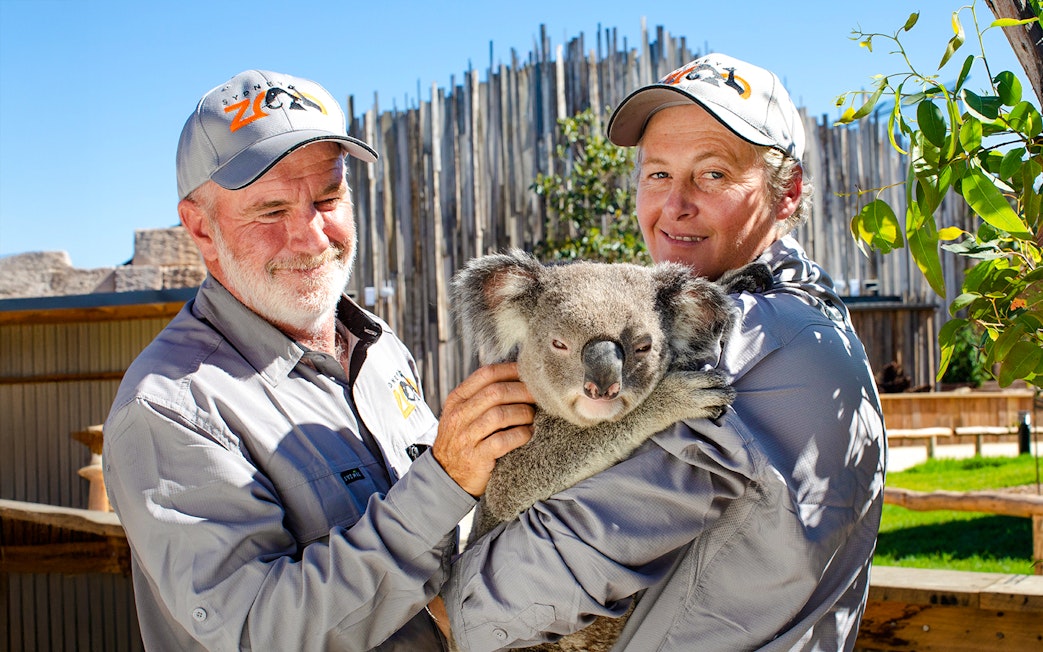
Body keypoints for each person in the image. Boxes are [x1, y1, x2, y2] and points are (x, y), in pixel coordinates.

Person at [441, 53, 887, 650]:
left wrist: (438, 608)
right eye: (657, 174)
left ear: (787, 195)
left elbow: (555, 567)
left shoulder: (756, 339)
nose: (675, 204)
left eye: (714, 175)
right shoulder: (795, 310)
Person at [102, 69, 534, 651]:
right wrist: (445, 480)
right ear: (201, 228)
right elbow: (260, 630)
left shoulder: (376, 351)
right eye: (271, 210)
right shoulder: (171, 406)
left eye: (328, 198)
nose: (311, 236)